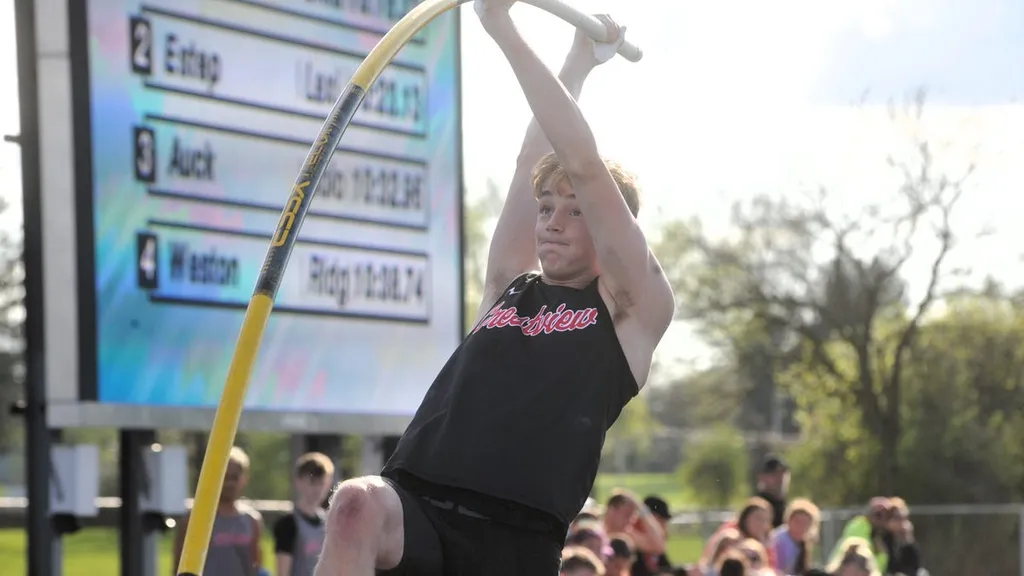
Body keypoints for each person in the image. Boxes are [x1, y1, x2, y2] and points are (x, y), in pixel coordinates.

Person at [312, 1, 675, 574]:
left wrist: (500, 26)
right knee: (354, 504)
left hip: (514, 539)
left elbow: (580, 161)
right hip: (418, 505)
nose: (551, 220)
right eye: (547, 207)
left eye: (575, 212)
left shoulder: (635, 308)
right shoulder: (511, 284)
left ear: (611, 232)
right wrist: (578, 62)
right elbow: (535, 158)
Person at [172, 446, 264, 576]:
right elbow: (179, 564)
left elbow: (256, 565)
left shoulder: (251, 520)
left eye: (234, 478)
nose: (229, 484)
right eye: (225, 477)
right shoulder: (196, 518)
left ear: (243, 479)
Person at [273, 452, 335, 576]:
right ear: (298, 481)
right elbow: (282, 571)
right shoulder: (288, 523)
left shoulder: (330, 522)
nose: (317, 489)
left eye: (321, 483)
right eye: (312, 482)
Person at [828, 498, 893, 572]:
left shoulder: (879, 535)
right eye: (878, 515)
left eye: (888, 516)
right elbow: (858, 561)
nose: (882, 520)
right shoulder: (858, 527)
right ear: (868, 514)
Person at [769, 498, 820, 575]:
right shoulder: (779, 539)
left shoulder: (803, 543)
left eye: (805, 523)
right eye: (797, 521)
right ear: (788, 520)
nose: (801, 526)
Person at [631, 496, 674, 575]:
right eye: (660, 520)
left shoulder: (657, 554)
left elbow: (667, 569)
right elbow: (658, 546)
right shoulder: (631, 540)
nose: (664, 526)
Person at [755, 453, 790, 528]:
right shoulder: (758, 506)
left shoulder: (784, 505)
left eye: (783, 474)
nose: (780, 478)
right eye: (774, 474)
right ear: (762, 478)